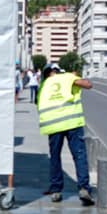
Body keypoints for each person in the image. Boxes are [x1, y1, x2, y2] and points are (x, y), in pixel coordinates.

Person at [37, 64, 94, 205]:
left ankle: (56, 190)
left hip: (53, 125)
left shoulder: (44, 85)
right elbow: (88, 85)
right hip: (72, 123)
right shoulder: (67, 77)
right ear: (58, 71)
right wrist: (74, 77)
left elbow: (37, 103)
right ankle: (83, 188)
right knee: (79, 155)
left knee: (55, 157)